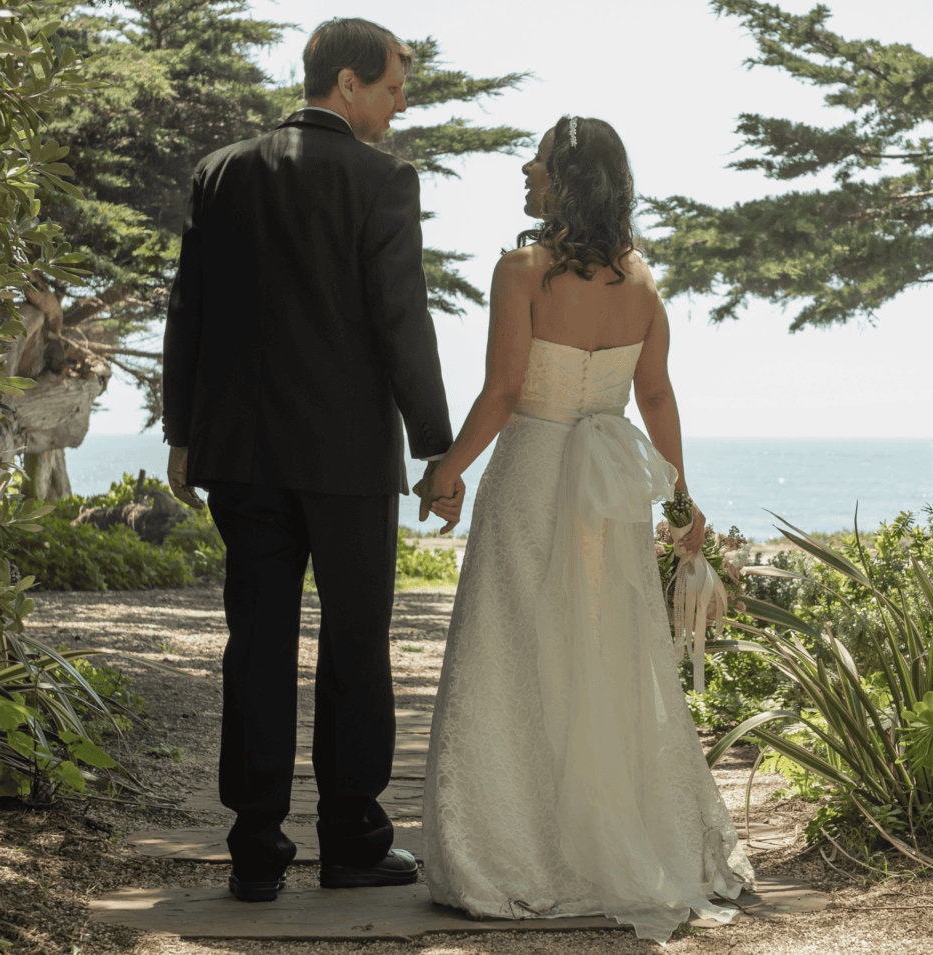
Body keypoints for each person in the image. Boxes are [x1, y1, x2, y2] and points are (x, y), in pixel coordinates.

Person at [418, 116, 755, 945]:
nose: (525, 170)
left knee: (510, 650)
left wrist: (446, 470)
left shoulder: (520, 271)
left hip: (533, 477)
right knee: (600, 652)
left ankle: (515, 855)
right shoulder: (642, 283)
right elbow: (657, 396)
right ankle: (605, 843)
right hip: (609, 493)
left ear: (565, 182)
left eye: (537, 161)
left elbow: (503, 390)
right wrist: (680, 503)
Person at [161, 17, 462, 903]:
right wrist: (436, 444)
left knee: (255, 642)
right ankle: (351, 841)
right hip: (347, 458)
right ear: (347, 82)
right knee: (355, 645)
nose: (399, 104)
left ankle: (255, 850)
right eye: (392, 87)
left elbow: (189, 308)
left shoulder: (220, 172)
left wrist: (183, 431)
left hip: (243, 453)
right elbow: (402, 316)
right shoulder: (382, 179)